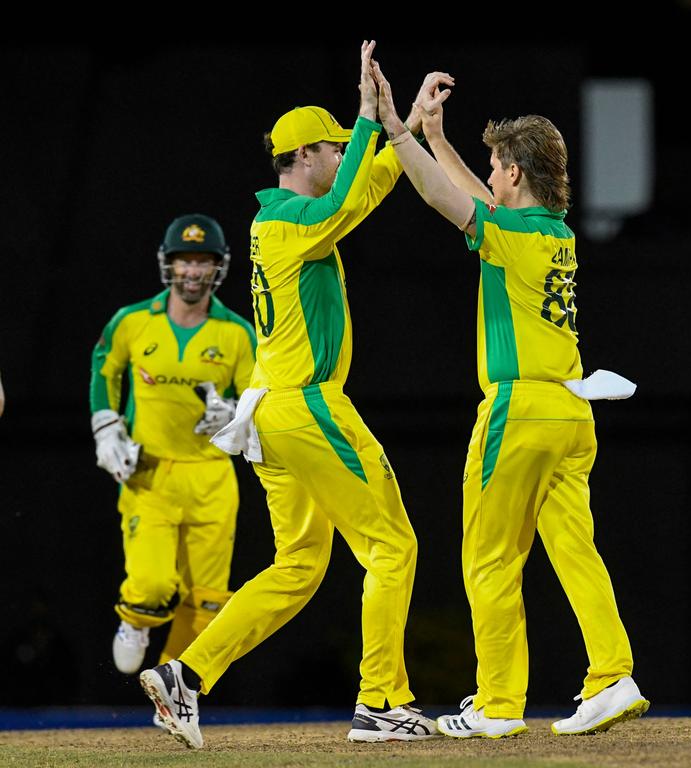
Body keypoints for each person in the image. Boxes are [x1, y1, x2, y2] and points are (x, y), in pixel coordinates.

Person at [139, 42, 445, 749]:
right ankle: (378, 703)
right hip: (307, 405)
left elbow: (357, 194)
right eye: (334, 148)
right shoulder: (282, 221)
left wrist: (405, 128)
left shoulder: (291, 218)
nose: (342, 157)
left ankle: (187, 674)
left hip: (273, 412)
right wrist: (368, 116)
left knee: (300, 566)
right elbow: (345, 200)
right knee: (394, 546)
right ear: (305, 154)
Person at [369, 60, 649, 738]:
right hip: (570, 412)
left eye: (497, 166)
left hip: (517, 412)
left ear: (516, 174)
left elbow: (446, 201)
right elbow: (478, 200)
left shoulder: (513, 236)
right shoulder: (553, 235)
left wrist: (396, 129)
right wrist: (436, 137)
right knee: (576, 551)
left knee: (490, 558)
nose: (490, 175)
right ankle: (612, 677)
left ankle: (497, 706)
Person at [90, 213, 255, 682]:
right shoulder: (132, 321)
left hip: (211, 477)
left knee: (208, 604)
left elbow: (257, 396)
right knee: (152, 586)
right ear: (169, 265)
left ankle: (174, 691)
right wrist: (105, 425)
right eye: (184, 262)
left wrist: (235, 416)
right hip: (150, 474)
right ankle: (135, 621)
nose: (192, 272)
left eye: (202, 262)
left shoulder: (237, 333)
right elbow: (105, 368)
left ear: (217, 268)